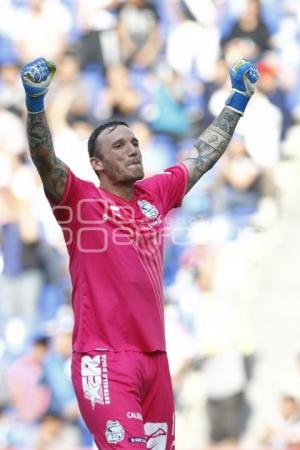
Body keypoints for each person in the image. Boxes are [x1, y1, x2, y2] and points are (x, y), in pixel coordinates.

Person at [21, 56, 258, 449]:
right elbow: (45, 159)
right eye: (119, 146)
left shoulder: (155, 195)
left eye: (134, 142)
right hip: (105, 361)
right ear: (96, 164)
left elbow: (201, 156)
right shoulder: (79, 201)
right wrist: (34, 103)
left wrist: (237, 101)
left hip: (156, 362)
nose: (132, 150)